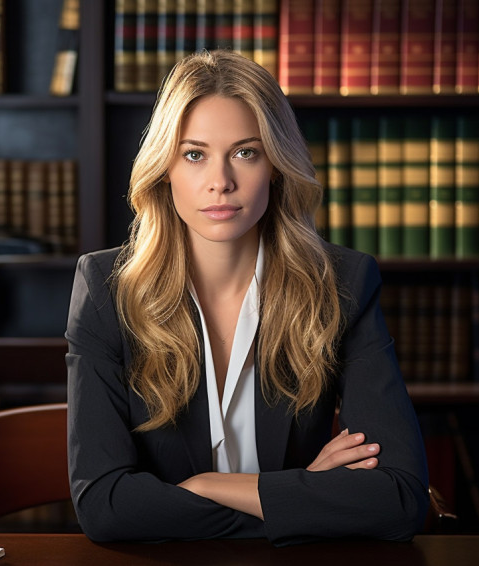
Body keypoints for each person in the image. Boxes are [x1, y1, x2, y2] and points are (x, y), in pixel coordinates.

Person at [64, 50, 429, 546]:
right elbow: (106, 509)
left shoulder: (342, 283)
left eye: (245, 152)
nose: (221, 182)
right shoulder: (107, 289)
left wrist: (204, 488)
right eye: (195, 154)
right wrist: (302, 501)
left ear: (276, 166)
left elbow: (400, 500)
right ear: (165, 168)